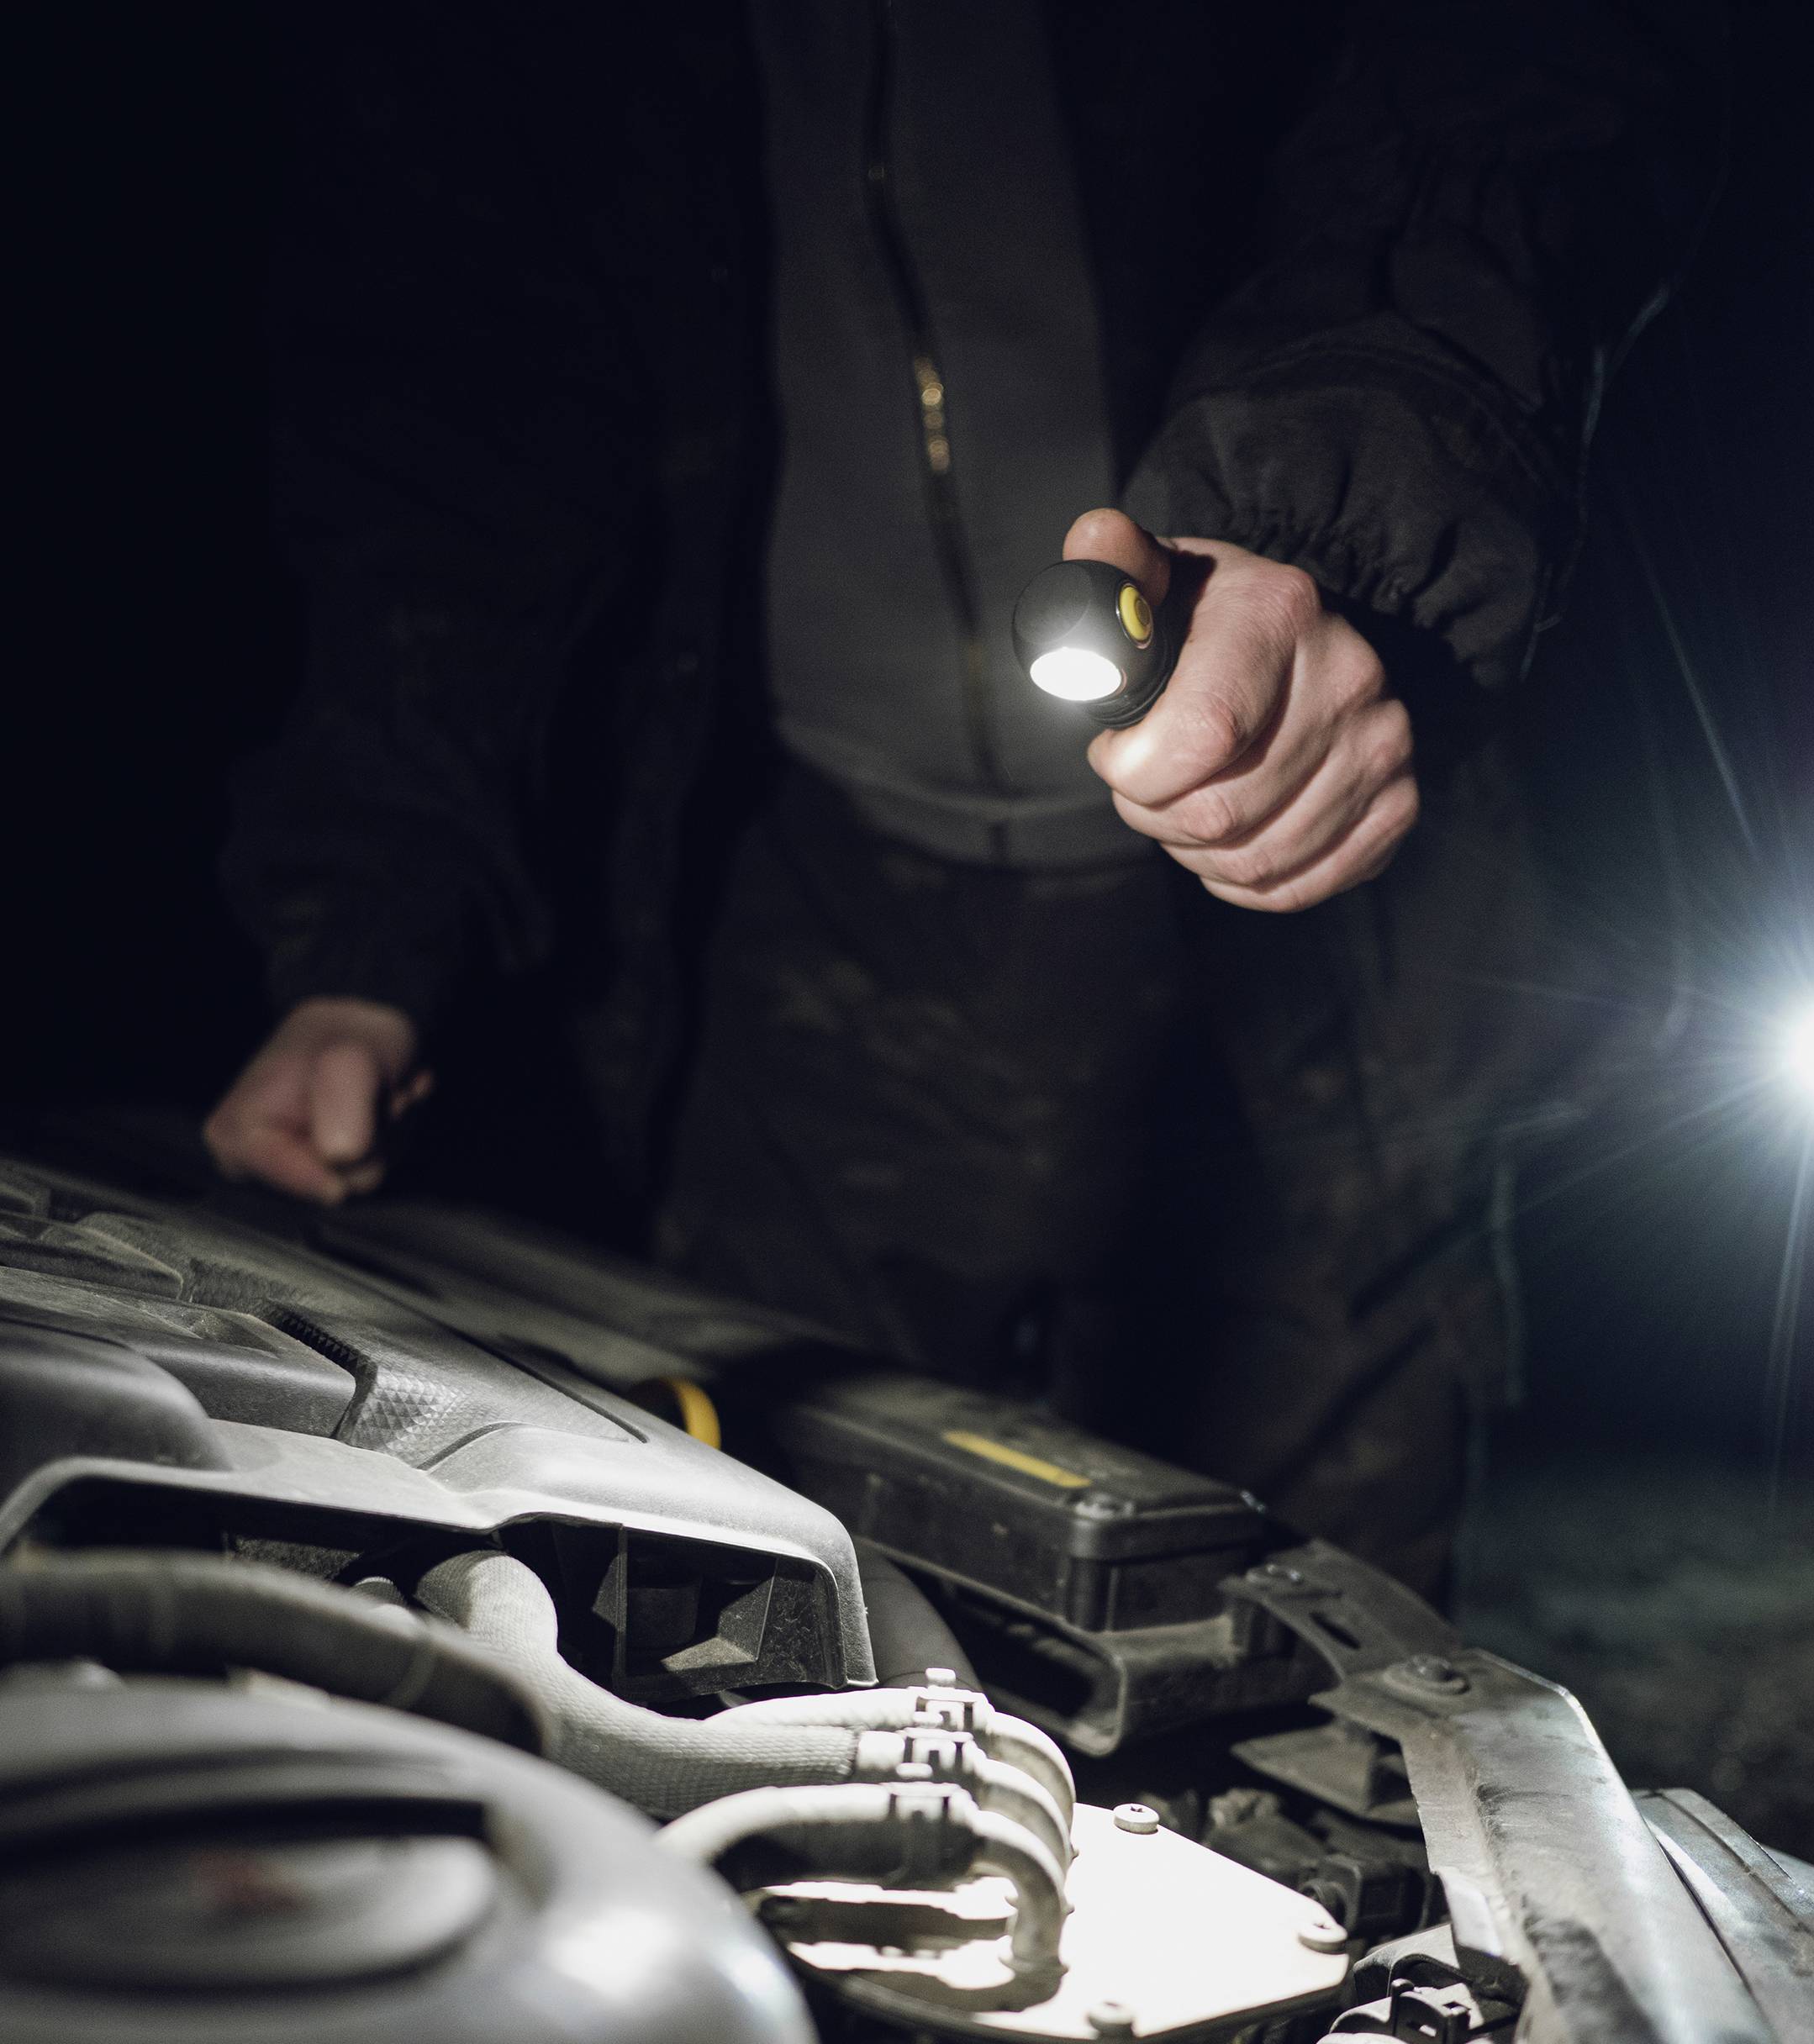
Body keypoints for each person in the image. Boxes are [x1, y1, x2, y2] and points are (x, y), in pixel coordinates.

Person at [204, 3, 1723, 1600]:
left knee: (1315, 1682)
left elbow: (1529, 79)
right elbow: (448, 401)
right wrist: (369, 931)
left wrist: (1329, 513)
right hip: (788, 953)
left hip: (1318, 984)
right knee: (756, 1626)